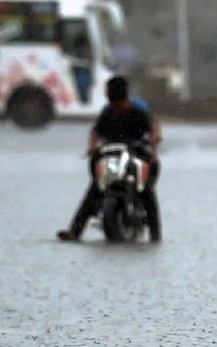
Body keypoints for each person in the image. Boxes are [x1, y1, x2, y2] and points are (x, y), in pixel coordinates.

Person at [57, 75, 162, 242]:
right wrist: (92, 147)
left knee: (147, 190)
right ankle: (75, 232)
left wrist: (153, 143)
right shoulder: (108, 112)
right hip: (112, 154)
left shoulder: (138, 112)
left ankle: (156, 235)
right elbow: (95, 131)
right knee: (96, 187)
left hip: (136, 153)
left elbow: (154, 126)